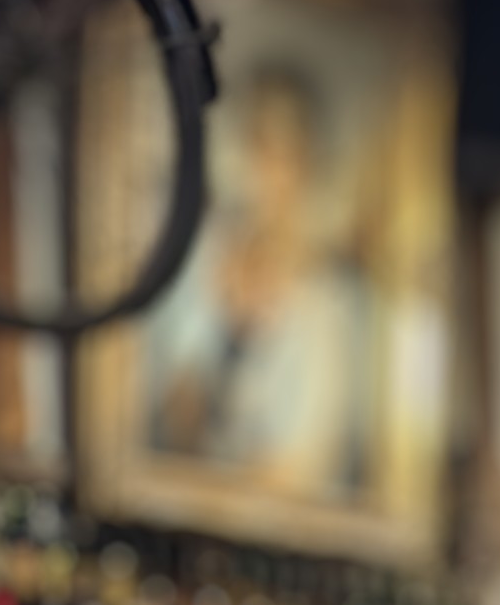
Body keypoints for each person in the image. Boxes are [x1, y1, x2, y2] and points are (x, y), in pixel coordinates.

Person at [147, 61, 372, 498]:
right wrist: (229, 331)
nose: (267, 175)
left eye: (285, 157)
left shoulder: (332, 298)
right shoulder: (204, 255)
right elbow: (173, 420)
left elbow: (316, 458)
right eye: (258, 148)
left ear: (309, 166)